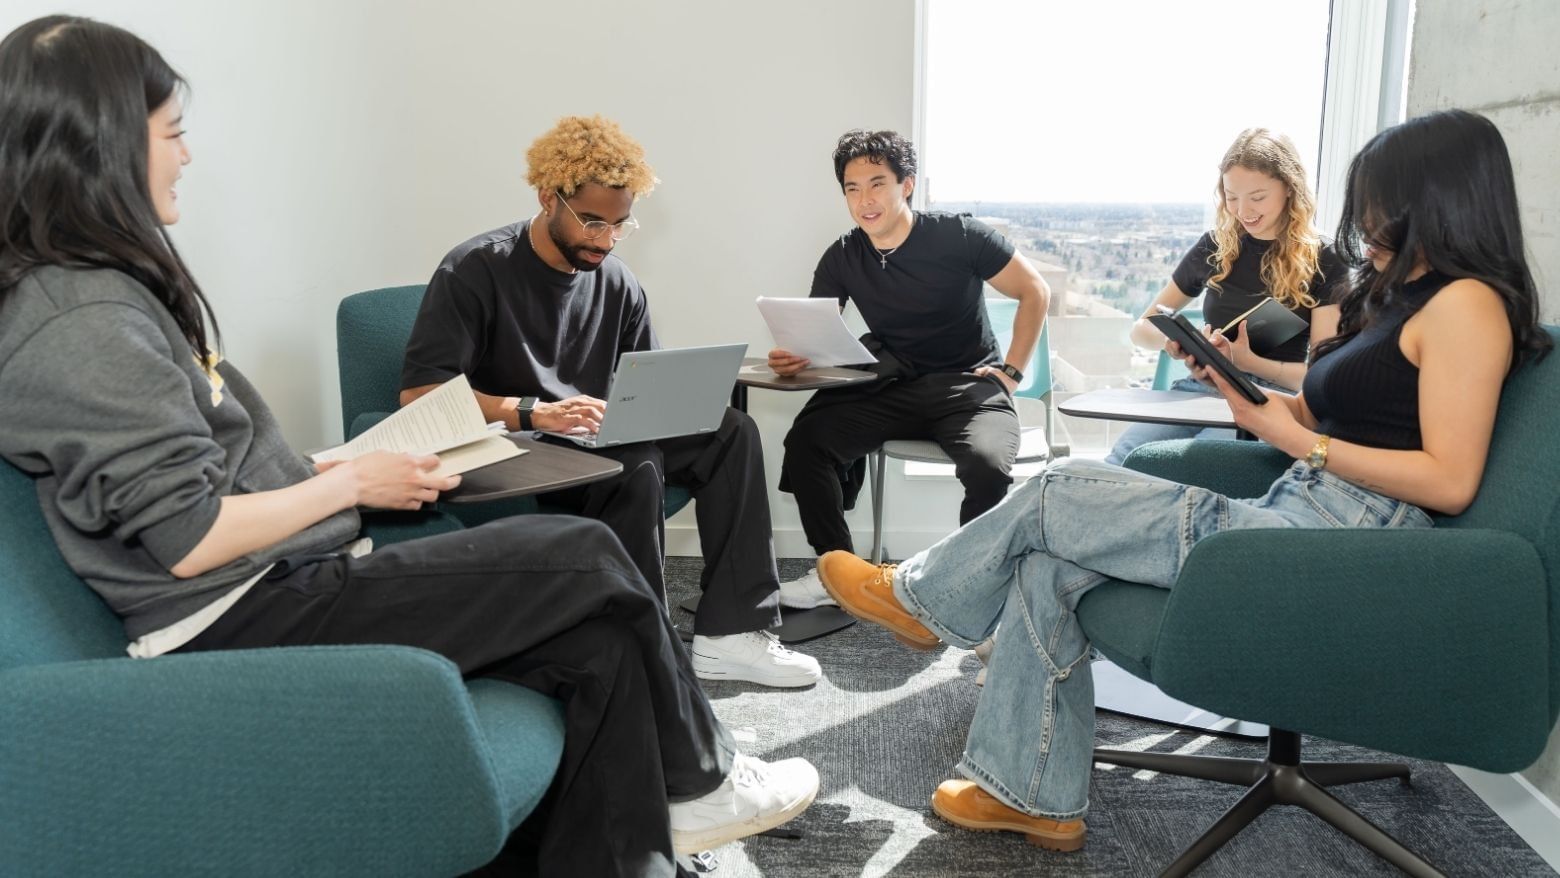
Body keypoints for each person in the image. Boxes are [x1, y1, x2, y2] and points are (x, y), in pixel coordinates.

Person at [0, 17, 818, 877]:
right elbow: (189, 538)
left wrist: (332, 466)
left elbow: (201, 480)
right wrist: (353, 483)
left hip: (282, 568)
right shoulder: (85, 319)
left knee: (602, 644)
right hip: (247, 603)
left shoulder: (102, 297)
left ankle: (641, 845)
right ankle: (703, 779)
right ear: (100, 147)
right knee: (585, 555)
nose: (188, 155)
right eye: (173, 134)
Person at [812, 108, 1549, 851]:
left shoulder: (1467, 305)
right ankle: (1031, 795)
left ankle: (921, 599)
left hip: (1350, 537)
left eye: (1379, 200)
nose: (1365, 219)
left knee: (1060, 489)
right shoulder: (1397, 296)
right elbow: (1344, 413)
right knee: (1045, 563)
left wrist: (1300, 441)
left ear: (1438, 197)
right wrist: (1248, 392)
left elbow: (1449, 482)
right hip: (1304, 506)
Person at [400, 116, 821, 689]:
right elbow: (420, 393)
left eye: (620, 225)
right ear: (548, 196)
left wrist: (676, 398)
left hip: (593, 435)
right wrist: (531, 410)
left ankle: (731, 635)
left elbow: (646, 386)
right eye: (592, 221)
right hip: (516, 446)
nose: (604, 240)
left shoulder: (617, 281)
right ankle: (643, 651)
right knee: (638, 461)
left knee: (730, 432)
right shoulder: (475, 269)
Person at [771, 129, 1050, 608]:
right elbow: (819, 333)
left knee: (987, 466)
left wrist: (1012, 372)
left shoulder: (960, 235)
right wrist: (796, 356)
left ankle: (970, 587)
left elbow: (1035, 290)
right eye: (852, 189)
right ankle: (837, 572)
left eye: (877, 184)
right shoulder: (843, 255)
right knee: (806, 441)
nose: (865, 200)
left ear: (907, 185)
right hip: (892, 384)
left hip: (969, 386)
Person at [1106, 127, 1348, 465]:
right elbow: (1141, 330)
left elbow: (1321, 377)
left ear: (1290, 189)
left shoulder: (1326, 258)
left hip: (1273, 399)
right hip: (1203, 388)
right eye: (1231, 197)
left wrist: (1247, 363)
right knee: (1124, 459)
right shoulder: (1214, 246)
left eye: (1257, 197)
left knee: (1197, 466)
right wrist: (1179, 344)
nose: (1243, 210)